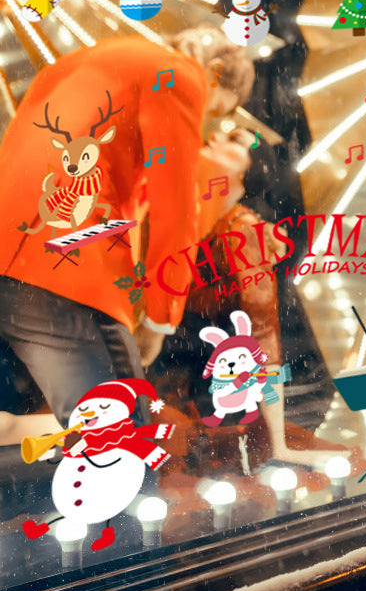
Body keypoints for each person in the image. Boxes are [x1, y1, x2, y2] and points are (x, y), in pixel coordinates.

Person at [0, 26, 255, 426]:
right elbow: (176, 203)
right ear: (217, 70)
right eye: (214, 111)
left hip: (15, 249)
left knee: (98, 431)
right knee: (122, 436)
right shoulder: (177, 75)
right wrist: (160, 317)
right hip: (69, 265)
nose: (205, 124)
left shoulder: (84, 58)